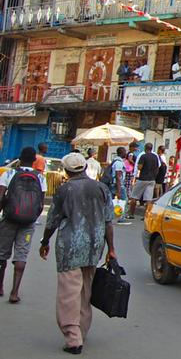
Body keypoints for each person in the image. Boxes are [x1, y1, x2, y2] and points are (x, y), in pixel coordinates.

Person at [38, 152, 116, 355]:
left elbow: (52, 220)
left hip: (70, 247)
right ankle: (81, 330)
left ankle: (73, 338)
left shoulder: (64, 190)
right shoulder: (102, 188)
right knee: (85, 291)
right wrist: (111, 249)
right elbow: (108, 222)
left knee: (69, 293)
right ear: (83, 168)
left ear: (66, 170)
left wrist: (45, 241)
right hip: (94, 246)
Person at [0, 147, 47, 303]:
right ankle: (14, 292)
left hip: (9, 219)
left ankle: (0, 287)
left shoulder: (9, 174)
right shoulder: (40, 178)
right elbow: (40, 203)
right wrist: (32, 216)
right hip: (28, 223)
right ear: (34, 160)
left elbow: (1, 197)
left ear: (19, 159)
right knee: (21, 254)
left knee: (2, 254)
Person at [127, 143, 160, 221]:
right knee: (148, 199)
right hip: (152, 179)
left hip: (142, 179)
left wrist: (139, 166)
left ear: (145, 148)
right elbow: (158, 167)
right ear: (151, 148)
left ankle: (131, 214)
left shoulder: (143, 156)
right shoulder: (155, 157)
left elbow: (139, 167)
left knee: (134, 196)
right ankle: (146, 216)